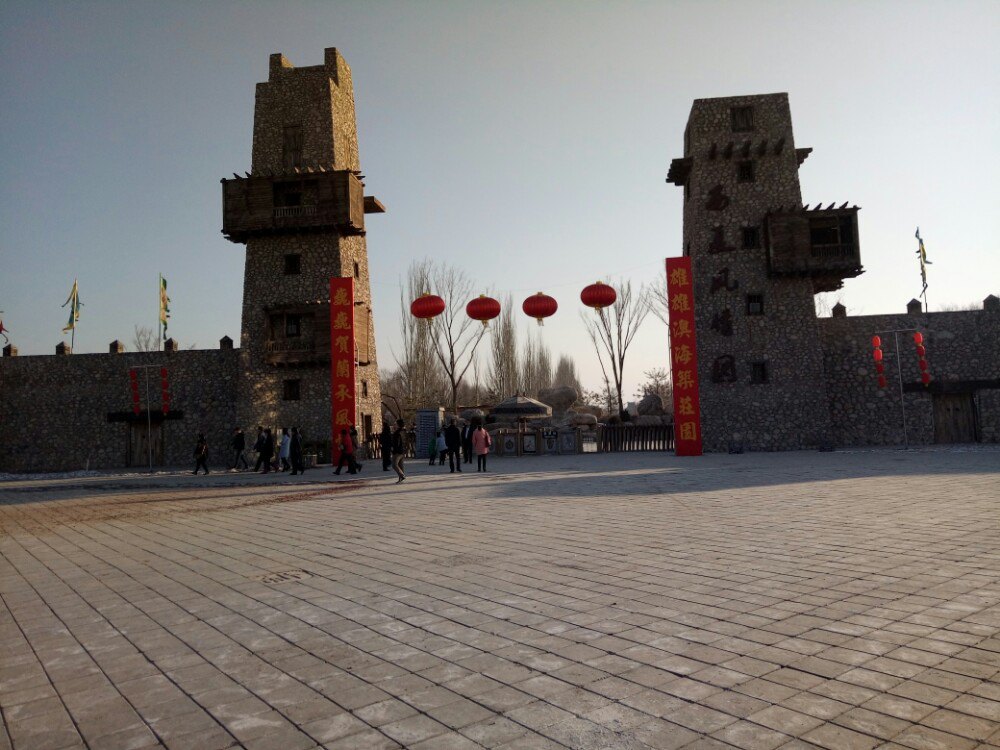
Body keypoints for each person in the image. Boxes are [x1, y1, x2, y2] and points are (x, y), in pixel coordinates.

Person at [391, 418, 407, 483]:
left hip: (398, 451)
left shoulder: (397, 433)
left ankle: (402, 476)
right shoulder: (404, 431)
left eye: (395, 424)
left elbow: (396, 443)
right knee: (400, 465)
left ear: (398, 425)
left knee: (394, 464)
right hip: (403, 450)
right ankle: (401, 478)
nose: (394, 425)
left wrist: (394, 450)